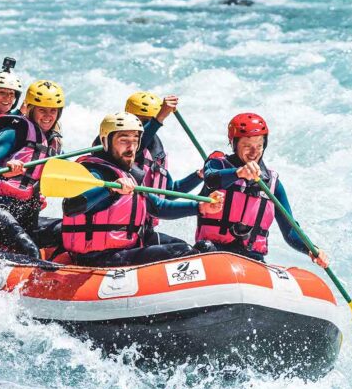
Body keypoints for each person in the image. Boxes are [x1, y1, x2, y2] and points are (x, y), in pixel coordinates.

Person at [61, 112, 222, 266]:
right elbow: (71, 206)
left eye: (135, 140)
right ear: (105, 141)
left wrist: (200, 208)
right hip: (97, 257)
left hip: (126, 249)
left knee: (199, 248)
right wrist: (110, 189)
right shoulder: (94, 172)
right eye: (124, 140)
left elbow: (159, 207)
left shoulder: (130, 175)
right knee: (182, 251)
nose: (131, 148)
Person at [196, 112, 328, 266]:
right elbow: (211, 179)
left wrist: (311, 249)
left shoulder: (273, 184)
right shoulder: (216, 166)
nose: (254, 152)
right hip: (212, 251)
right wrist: (239, 173)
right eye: (247, 146)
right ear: (234, 144)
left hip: (252, 259)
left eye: (259, 145)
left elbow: (290, 231)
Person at [0, 79, 65, 259]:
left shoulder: (54, 141)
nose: (48, 116)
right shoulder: (16, 129)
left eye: (53, 111)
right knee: (29, 248)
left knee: (67, 232)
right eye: (42, 110)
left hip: (25, 212)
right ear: (31, 109)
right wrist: (4, 170)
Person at [125, 91, 204, 226]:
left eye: (147, 122)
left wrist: (198, 176)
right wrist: (159, 118)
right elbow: (137, 145)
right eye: (139, 121)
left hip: (144, 228)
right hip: (124, 226)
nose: (141, 128)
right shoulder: (117, 147)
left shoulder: (155, 150)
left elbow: (169, 192)